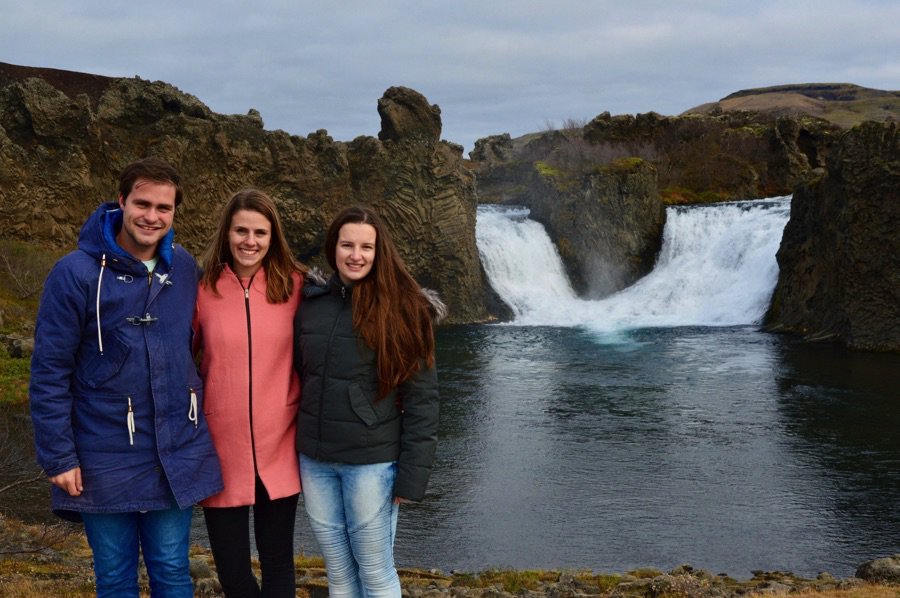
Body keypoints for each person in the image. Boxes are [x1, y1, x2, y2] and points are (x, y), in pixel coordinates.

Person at [29, 157, 224, 597]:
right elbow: (48, 374)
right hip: (102, 453)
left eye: (164, 207)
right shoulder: (74, 274)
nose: (152, 216)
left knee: (173, 571)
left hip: (174, 450)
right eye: (143, 203)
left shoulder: (185, 268)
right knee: (115, 577)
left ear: (175, 213)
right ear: (121, 201)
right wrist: (58, 457)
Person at [294, 206, 444, 598]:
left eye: (366, 246)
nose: (355, 255)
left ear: (380, 252)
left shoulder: (404, 310)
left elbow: (423, 400)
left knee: (375, 573)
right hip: (315, 460)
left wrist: (412, 477)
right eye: (347, 245)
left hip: (371, 465)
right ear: (334, 248)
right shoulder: (311, 305)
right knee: (339, 575)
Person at [193, 188, 307, 597]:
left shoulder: (297, 287)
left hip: (281, 446)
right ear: (227, 233)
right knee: (233, 572)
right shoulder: (201, 288)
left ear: (273, 236)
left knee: (278, 563)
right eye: (241, 230)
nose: (250, 241)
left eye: (261, 232)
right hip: (219, 447)